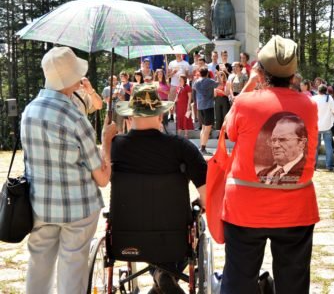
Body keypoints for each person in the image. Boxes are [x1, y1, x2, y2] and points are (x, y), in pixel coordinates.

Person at [221, 35, 319, 294]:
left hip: (245, 208)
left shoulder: (245, 102)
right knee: (293, 282)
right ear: (293, 73)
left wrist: (251, 83)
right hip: (295, 207)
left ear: (260, 70)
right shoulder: (308, 106)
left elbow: (229, 130)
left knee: (238, 280)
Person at [20, 46, 117, 294]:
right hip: (78, 208)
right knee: (72, 268)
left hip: (39, 205)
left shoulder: (28, 112)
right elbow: (103, 178)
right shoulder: (75, 118)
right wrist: (106, 141)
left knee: (38, 267)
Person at [112, 84, 207, 294]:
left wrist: (106, 139)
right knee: (196, 224)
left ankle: (160, 276)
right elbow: (207, 193)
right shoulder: (182, 147)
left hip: (127, 236)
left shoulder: (115, 146)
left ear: (131, 116)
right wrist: (201, 204)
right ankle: (165, 273)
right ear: (161, 115)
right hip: (174, 237)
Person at [257, 116, 308, 185]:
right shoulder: (263, 173)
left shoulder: (305, 174)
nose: (275, 145)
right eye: (273, 140)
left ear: (301, 143)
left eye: (283, 139)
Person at [193, 67, 219, 155]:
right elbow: (218, 84)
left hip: (200, 107)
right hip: (208, 107)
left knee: (203, 128)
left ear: (200, 73)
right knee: (207, 129)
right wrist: (218, 75)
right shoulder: (209, 81)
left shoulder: (196, 82)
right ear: (207, 73)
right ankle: (203, 148)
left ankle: (201, 147)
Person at [312, 84, 334, 171]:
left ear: (318, 90)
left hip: (316, 125)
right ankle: (329, 165)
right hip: (327, 125)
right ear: (326, 91)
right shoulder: (329, 98)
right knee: (328, 146)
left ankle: (314, 165)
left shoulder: (313, 98)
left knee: (315, 147)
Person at [168, 54, 190, 121]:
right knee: (171, 101)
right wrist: (173, 72)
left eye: (179, 53)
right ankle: (171, 115)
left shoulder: (186, 63)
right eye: (176, 53)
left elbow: (187, 76)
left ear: (181, 54)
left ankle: (180, 116)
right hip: (173, 85)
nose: (177, 54)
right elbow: (168, 76)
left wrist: (184, 75)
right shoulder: (171, 63)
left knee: (181, 102)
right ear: (174, 54)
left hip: (182, 86)